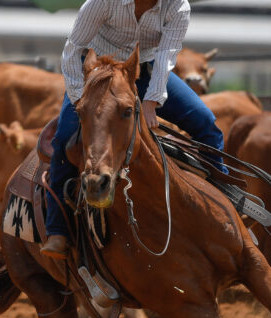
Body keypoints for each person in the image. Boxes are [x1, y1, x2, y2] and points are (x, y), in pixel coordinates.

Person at [40, 0, 225, 260]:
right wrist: (80, 99)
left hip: (146, 69)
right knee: (63, 141)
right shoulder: (103, 2)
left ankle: (225, 203)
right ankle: (57, 229)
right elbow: (74, 48)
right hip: (99, 73)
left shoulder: (178, 6)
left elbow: (166, 56)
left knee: (206, 124)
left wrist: (151, 101)